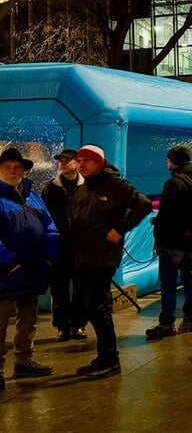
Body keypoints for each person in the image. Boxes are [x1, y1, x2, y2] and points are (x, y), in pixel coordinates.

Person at [68, 144, 151, 380]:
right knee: (88, 306)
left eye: (87, 160)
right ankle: (103, 356)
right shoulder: (84, 188)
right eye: (80, 160)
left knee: (98, 306)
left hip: (103, 256)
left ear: (99, 162)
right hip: (84, 256)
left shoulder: (114, 184)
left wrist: (119, 229)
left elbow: (143, 204)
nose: (82, 164)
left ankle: (111, 360)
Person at [0, 147, 59, 391]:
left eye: (17, 167)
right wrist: (9, 260)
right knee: (0, 322)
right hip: (6, 271)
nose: (13, 171)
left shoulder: (33, 196)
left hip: (33, 268)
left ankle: (24, 360)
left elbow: (50, 226)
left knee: (28, 318)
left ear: (24, 171)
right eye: (7, 167)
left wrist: (49, 256)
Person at [145, 145, 192, 341]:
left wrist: (158, 238)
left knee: (168, 283)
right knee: (191, 278)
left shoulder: (174, 183)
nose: (166, 162)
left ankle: (167, 323)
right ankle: (190, 320)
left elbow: (166, 215)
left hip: (173, 242)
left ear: (175, 161)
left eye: (168, 158)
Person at [42, 148, 87, 341]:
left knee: (81, 288)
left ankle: (79, 325)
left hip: (81, 247)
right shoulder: (51, 188)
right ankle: (62, 325)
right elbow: (43, 215)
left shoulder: (87, 187)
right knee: (59, 288)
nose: (63, 164)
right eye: (61, 161)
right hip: (59, 247)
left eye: (67, 160)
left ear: (77, 163)